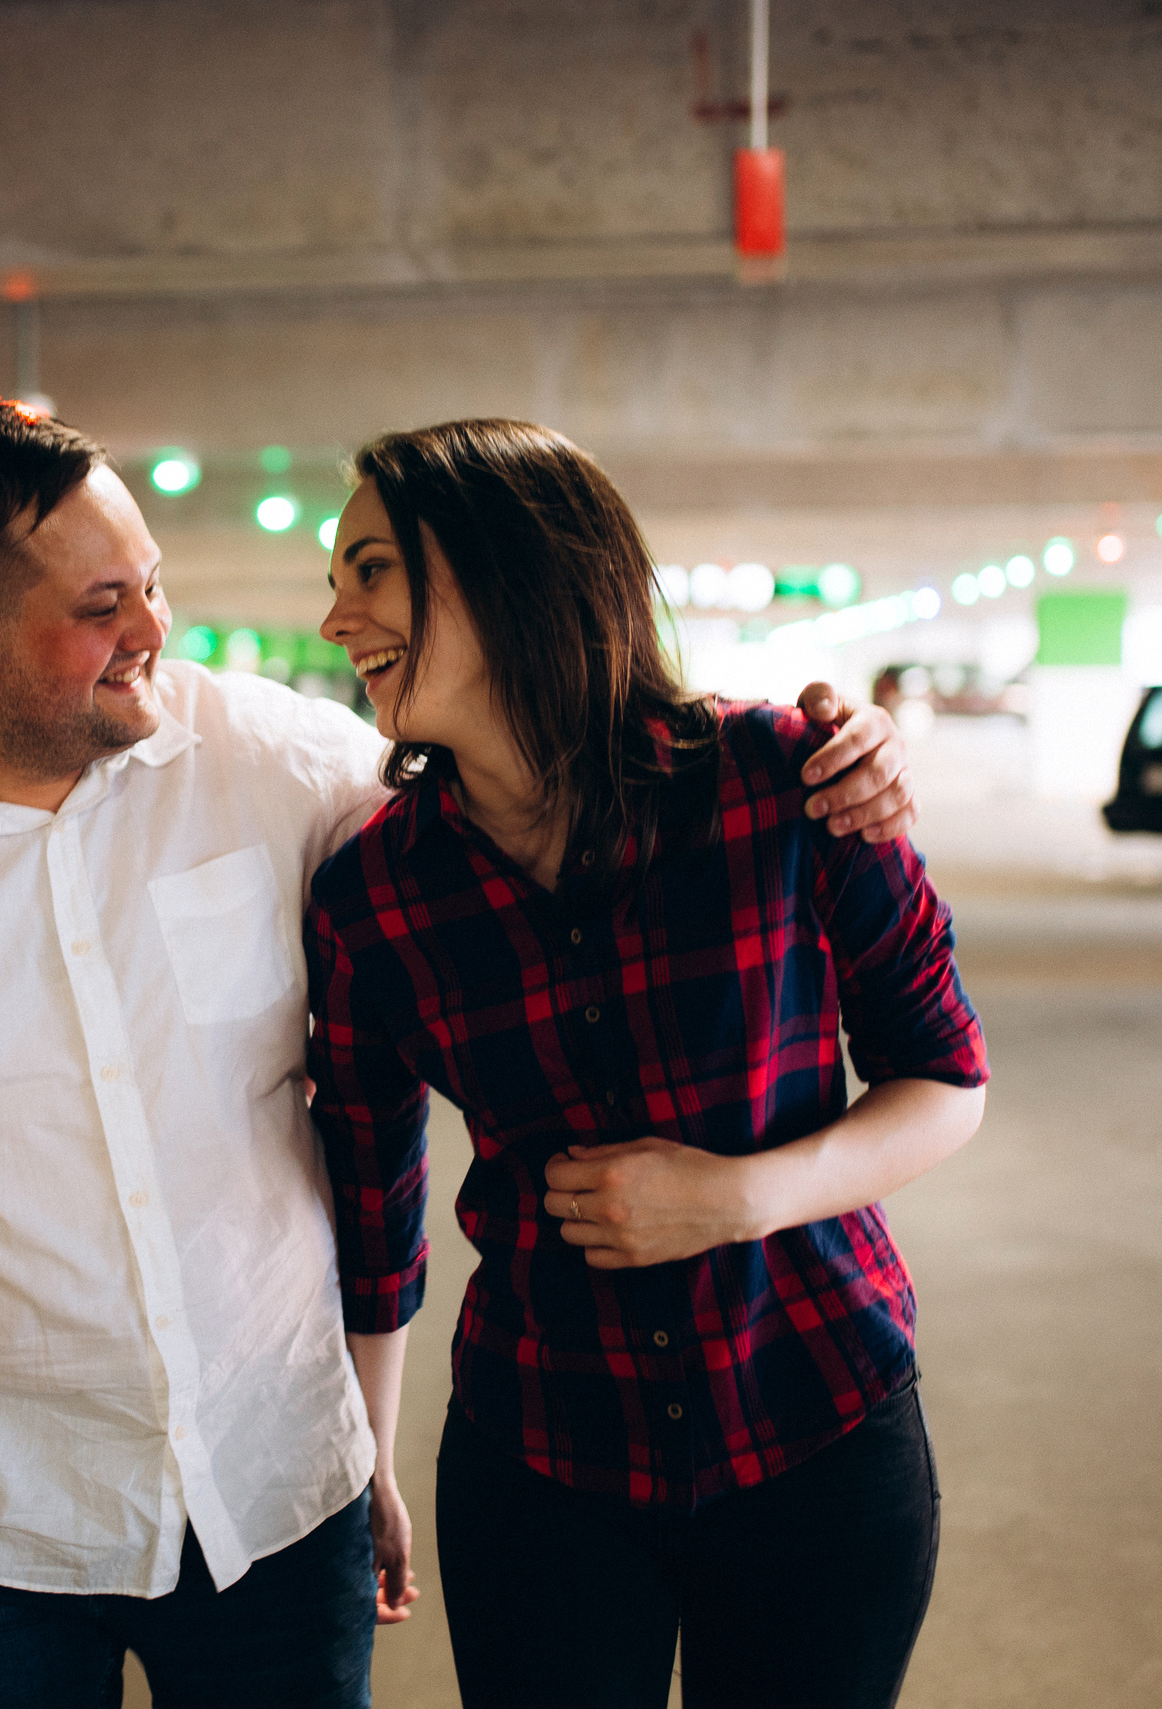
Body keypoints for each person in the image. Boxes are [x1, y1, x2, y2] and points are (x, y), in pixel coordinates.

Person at [0, 401, 919, 1709]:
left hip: (275, 1503)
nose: (151, 629)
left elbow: (528, 769)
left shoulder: (277, 762)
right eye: (101, 606)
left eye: (152, 583)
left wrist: (828, 751)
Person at [305, 418, 988, 1709]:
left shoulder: (782, 780)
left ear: (508, 568)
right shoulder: (376, 895)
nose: (339, 617)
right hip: (542, 1456)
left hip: (815, 1421)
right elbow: (372, 1204)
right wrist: (369, 1457)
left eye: (373, 569)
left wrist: (735, 1198)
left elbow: (946, 1077)